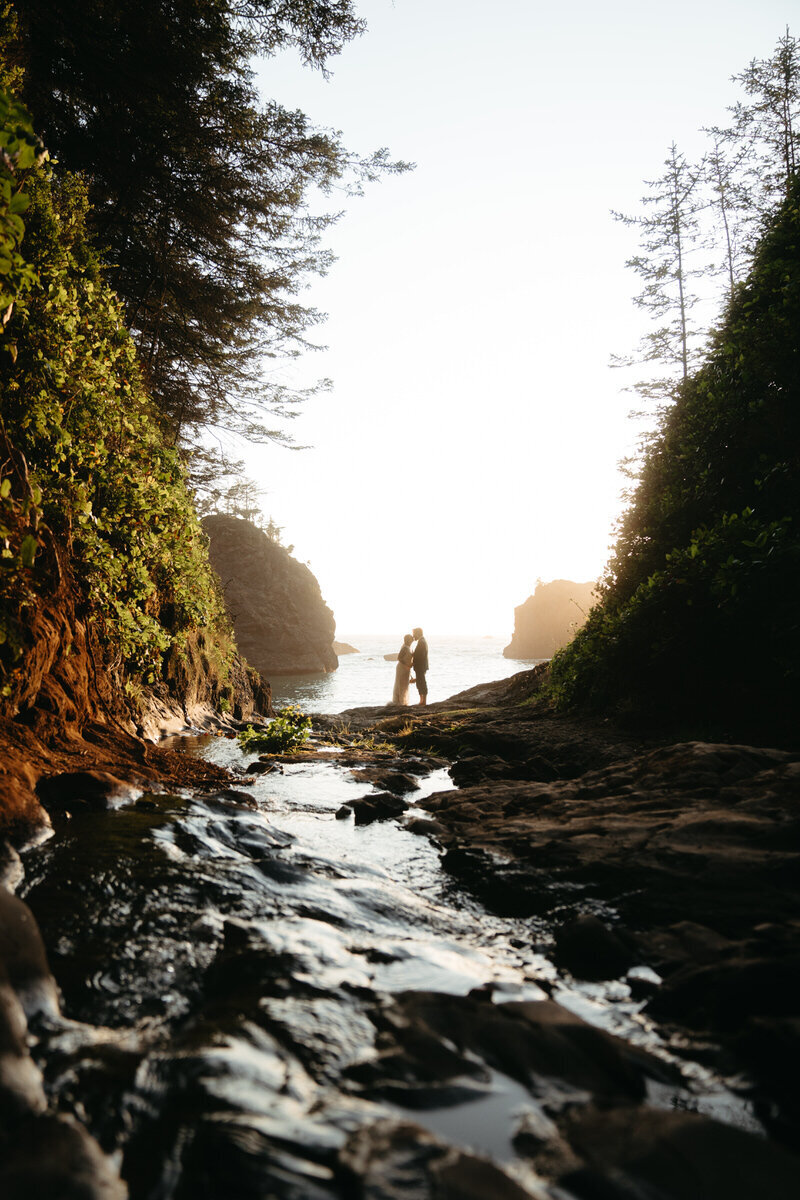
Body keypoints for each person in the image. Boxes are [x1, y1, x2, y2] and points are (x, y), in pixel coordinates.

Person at [391, 634, 414, 705]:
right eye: (411, 639)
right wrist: (406, 665)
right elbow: (399, 658)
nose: (412, 641)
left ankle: (403, 701)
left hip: (406, 669)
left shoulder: (410, 648)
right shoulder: (404, 648)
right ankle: (399, 701)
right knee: (400, 684)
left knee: (405, 684)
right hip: (402, 668)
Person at [411, 627, 428, 705]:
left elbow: (420, 656)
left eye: (414, 634)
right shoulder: (422, 641)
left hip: (420, 666)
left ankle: (423, 701)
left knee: (421, 683)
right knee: (420, 682)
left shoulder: (421, 642)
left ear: (417, 633)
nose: (413, 636)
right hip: (421, 666)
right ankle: (422, 700)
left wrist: (413, 662)